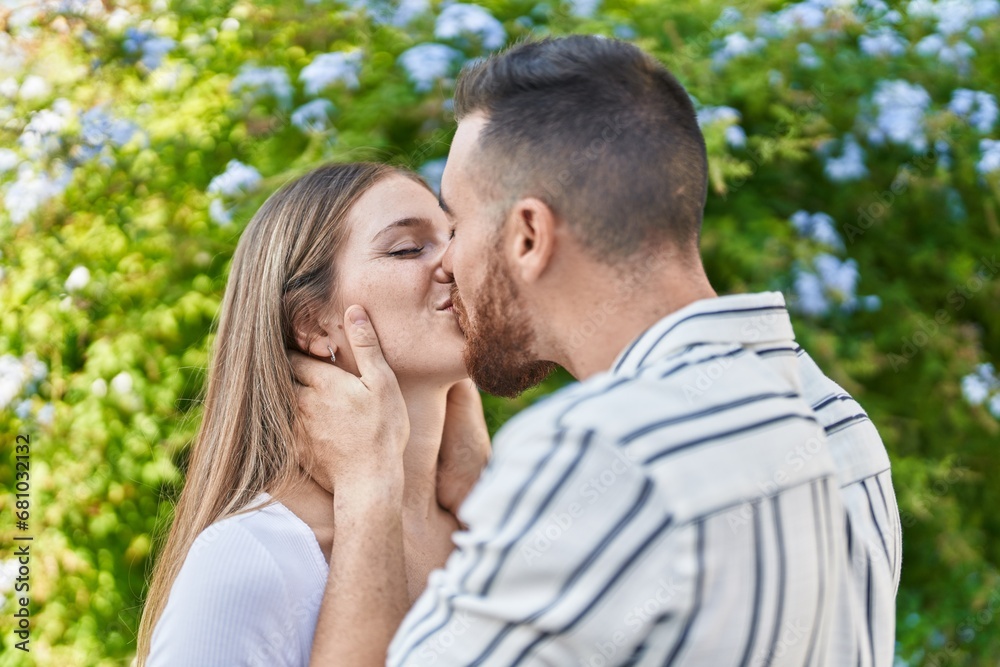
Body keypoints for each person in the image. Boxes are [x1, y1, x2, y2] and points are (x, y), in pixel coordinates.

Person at [294, 36, 900, 665]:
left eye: (459, 226)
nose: (448, 261)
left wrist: (369, 491)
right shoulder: (835, 417)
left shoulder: (598, 449)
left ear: (528, 235)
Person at [135, 162, 491, 666]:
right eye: (408, 248)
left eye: (452, 235)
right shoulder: (252, 559)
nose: (454, 261)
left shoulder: (484, 521)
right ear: (313, 325)